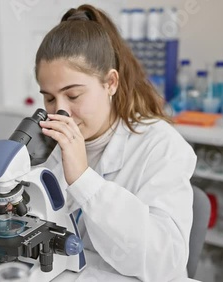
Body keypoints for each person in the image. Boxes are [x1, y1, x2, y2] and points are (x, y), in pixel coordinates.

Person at [35, 4, 197, 281]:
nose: (60, 112)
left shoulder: (162, 146)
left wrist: (84, 180)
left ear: (110, 83)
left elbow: (165, 263)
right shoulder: (58, 140)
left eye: (72, 95)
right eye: (49, 98)